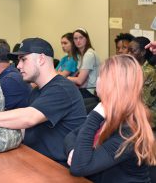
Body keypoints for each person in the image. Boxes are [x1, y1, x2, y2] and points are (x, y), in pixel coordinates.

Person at [0, 37, 87, 165]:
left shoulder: (62, 88)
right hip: (33, 158)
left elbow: (29, 118)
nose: (18, 66)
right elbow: (25, 128)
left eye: (23, 59)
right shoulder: (37, 91)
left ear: (41, 59)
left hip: (56, 168)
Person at [64, 54, 156, 183]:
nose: (97, 80)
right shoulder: (110, 113)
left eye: (101, 76)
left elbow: (79, 168)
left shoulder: (128, 133)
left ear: (112, 84)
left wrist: (94, 117)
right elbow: (71, 135)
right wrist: (73, 151)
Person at [128, 36, 156, 128]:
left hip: (148, 116)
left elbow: (144, 103)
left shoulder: (148, 72)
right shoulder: (136, 69)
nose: (128, 54)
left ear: (143, 52)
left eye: (132, 51)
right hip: (137, 111)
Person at [68, 28, 100, 98]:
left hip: (90, 92)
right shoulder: (81, 55)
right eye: (75, 39)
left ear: (86, 39)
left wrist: (66, 78)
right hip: (84, 89)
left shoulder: (89, 54)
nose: (78, 41)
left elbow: (80, 81)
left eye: (81, 38)